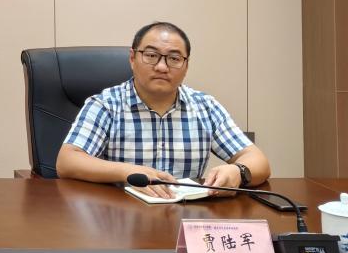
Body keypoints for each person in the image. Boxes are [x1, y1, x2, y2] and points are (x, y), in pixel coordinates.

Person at [56, 21, 271, 199]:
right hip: (121, 215)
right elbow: (67, 161)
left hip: (186, 217)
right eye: (151, 55)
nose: (161, 66)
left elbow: (257, 160)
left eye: (174, 59)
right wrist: (128, 172)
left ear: (186, 66)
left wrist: (238, 171)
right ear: (132, 58)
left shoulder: (205, 107)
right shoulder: (106, 104)